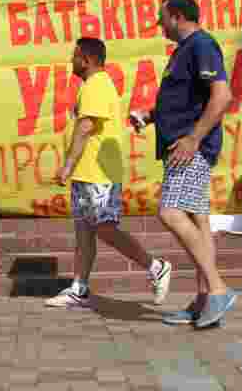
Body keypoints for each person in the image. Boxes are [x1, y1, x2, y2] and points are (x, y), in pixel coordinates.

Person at [129, 0, 236, 329]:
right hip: (183, 145)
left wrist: (193, 139)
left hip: (190, 149)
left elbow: (222, 96)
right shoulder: (184, 51)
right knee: (197, 219)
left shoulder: (202, 45)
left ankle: (218, 289)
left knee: (171, 212)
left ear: (176, 16)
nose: (159, 25)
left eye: (162, 18)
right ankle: (205, 301)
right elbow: (187, 100)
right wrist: (150, 116)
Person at [46, 37, 173, 308]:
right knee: (84, 230)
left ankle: (156, 267)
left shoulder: (97, 84)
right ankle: (79, 288)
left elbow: (86, 127)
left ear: (87, 60)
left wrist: (68, 165)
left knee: (104, 228)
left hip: (98, 172)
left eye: (75, 56)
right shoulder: (92, 85)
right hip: (87, 172)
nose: (71, 60)